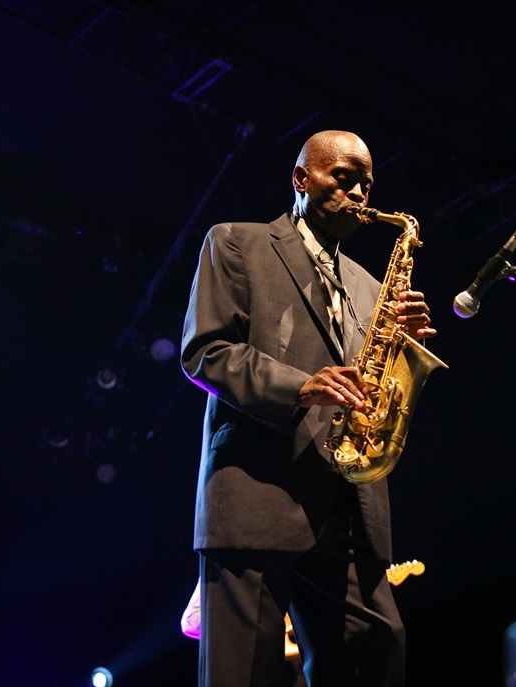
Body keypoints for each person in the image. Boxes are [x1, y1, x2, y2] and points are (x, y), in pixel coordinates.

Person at [180, 129, 437, 687]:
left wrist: (401, 344)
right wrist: (300, 386)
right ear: (302, 178)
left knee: (376, 647)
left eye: (366, 184)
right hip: (259, 488)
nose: (359, 193)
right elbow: (206, 352)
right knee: (243, 674)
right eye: (343, 178)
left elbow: (370, 380)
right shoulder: (234, 243)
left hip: (349, 500)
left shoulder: (370, 286)